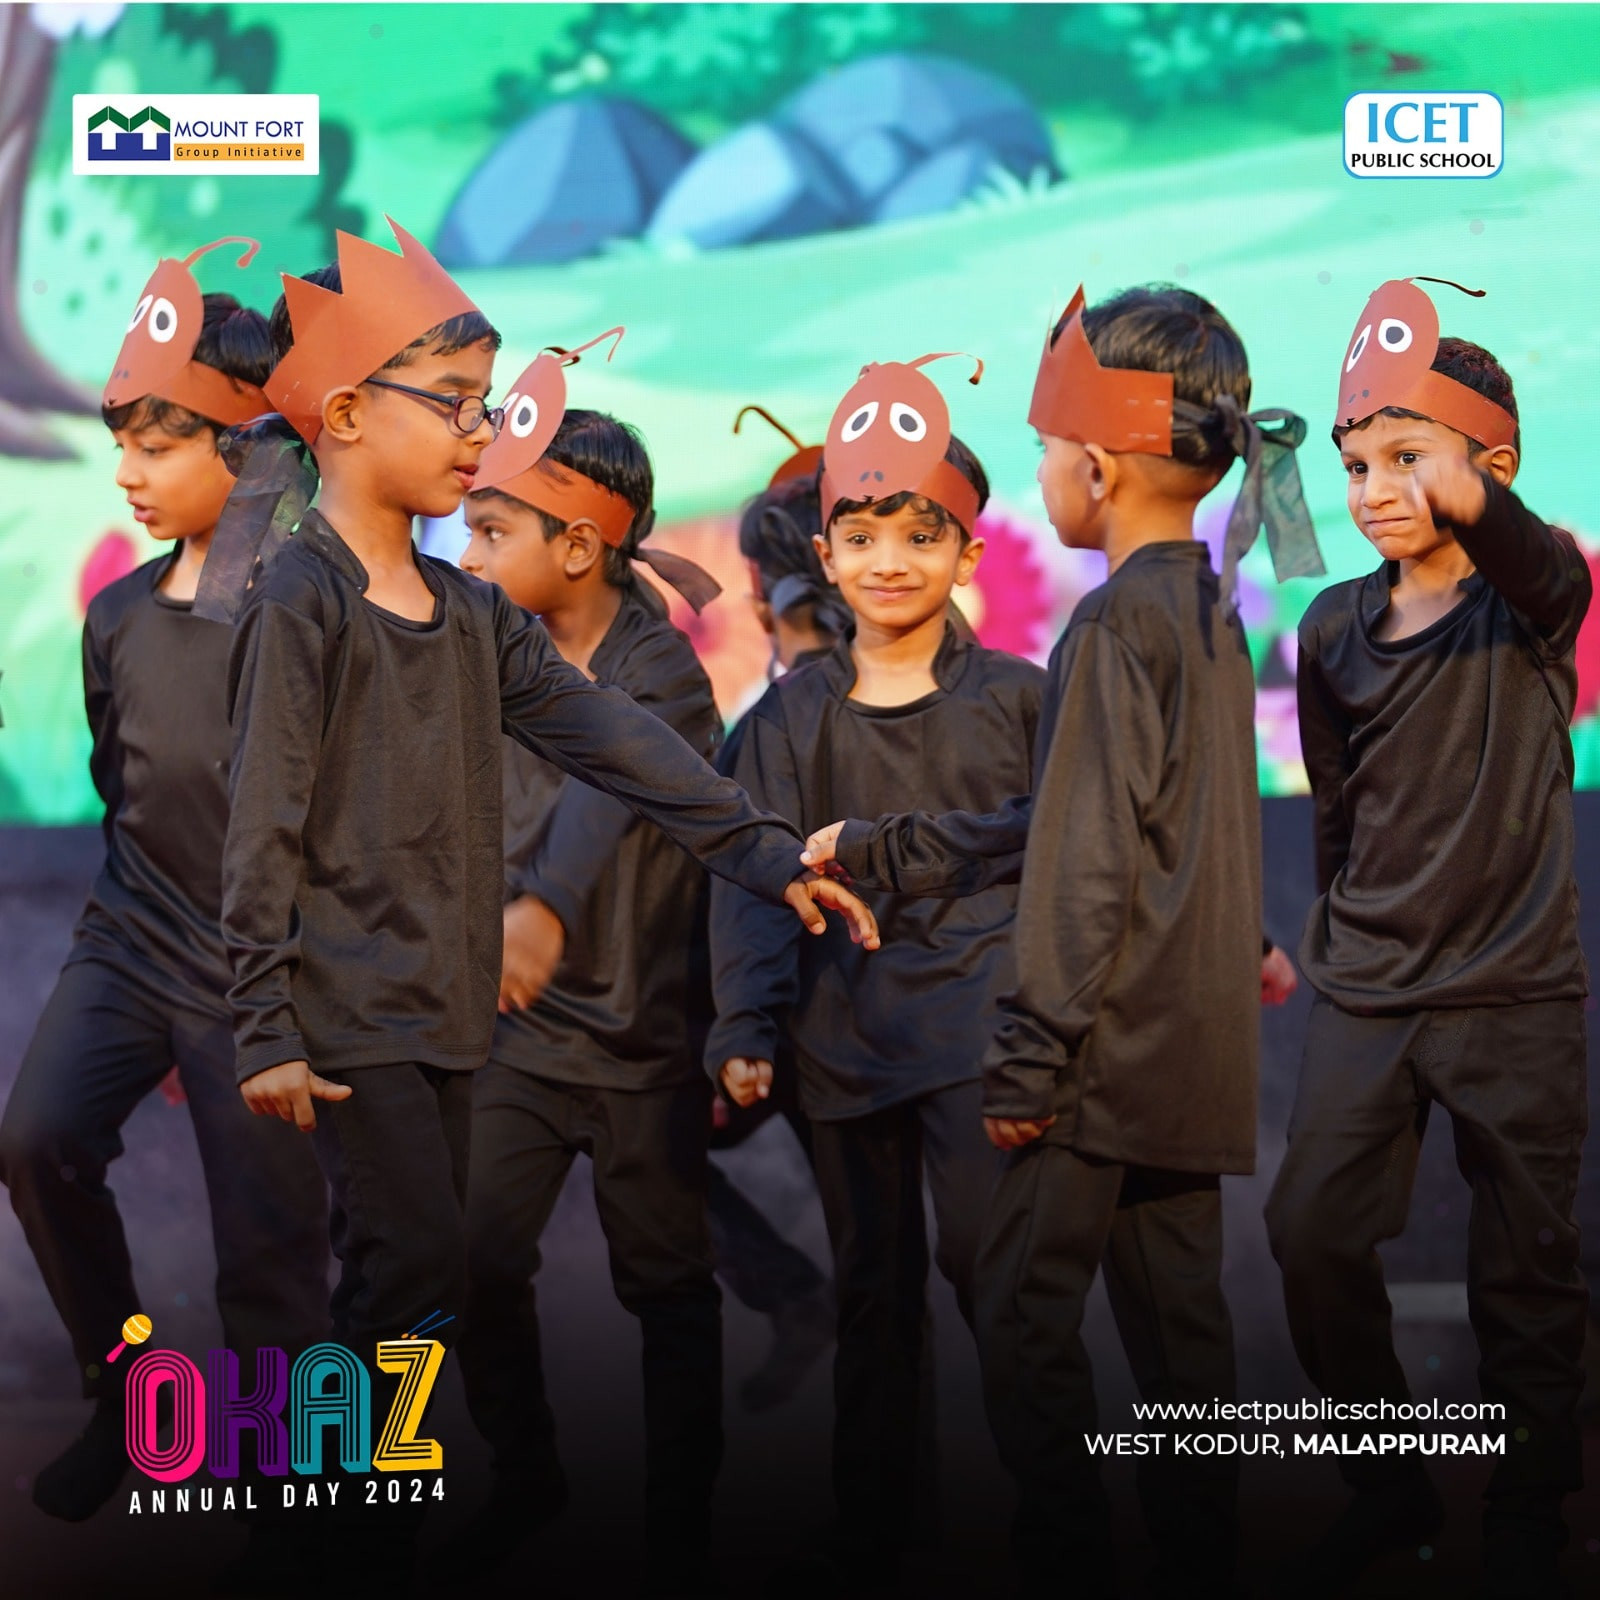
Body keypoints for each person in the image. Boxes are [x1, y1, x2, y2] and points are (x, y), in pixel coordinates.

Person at [205, 222, 878, 1587]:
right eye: (455, 404)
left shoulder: (469, 615)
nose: (480, 432)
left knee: (408, 1282)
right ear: (347, 415)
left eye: (485, 403)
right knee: (414, 1278)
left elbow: (617, 742)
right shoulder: (300, 600)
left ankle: (323, 1519)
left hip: (452, 1014)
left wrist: (764, 854)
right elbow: (261, 814)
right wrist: (262, 1015)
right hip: (349, 1012)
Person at [799, 287, 1322, 1593]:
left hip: (1097, 1056)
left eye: (1043, 450)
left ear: (1096, 463)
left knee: (1024, 1320)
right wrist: (1244, 941)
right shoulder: (1206, 609)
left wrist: (1029, 1055)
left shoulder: (1111, 623)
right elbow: (1170, 823)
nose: (1042, 475)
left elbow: (1088, 853)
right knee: (1182, 1345)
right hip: (1187, 1056)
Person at [1264, 277, 1591, 1599]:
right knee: (1309, 1233)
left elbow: (1545, 563)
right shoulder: (1331, 628)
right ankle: (1387, 1481)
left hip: (1514, 991)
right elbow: (1337, 806)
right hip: (1372, 987)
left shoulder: (1535, 602)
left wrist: (1477, 506)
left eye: (1407, 457)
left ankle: (1527, 1512)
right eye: (1356, 465)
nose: (1372, 488)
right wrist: (1336, 939)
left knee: (1528, 1268)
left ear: (1489, 468)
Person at [0, 240, 328, 1535]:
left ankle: (293, 1519)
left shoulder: (305, 610)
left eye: (157, 445)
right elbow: (123, 781)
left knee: (269, 1259)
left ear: (246, 448)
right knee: (36, 1141)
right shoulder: (118, 617)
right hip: (133, 937)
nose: (127, 474)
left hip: (261, 970)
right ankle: (126, 1388)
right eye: (121, 445)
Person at [711, 352, 1046, 1587]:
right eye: (860, 536)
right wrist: (743, 1024)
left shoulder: (1021, 700)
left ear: (966, 550)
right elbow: (750, 878)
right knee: (873, 1297)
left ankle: (1056, 1525)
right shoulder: (784, 721)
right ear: (826, 556)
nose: (889, 560)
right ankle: (879, 1536)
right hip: (841, 1044)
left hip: (979, 1043)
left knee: (999, 1287)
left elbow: (1067, 845)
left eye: (919, 534)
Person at [447, 356, 746, 1593]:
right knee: (471, 1257)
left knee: (667, 1290)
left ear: (577, 546)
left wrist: (545, 906)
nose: (467, 554)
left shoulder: (660, 670)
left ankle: (681, 1528)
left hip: (639, 1040)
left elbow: (606, 785)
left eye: (491, 530)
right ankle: (526, 1472)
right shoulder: (475, 650)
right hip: (512, 1037)